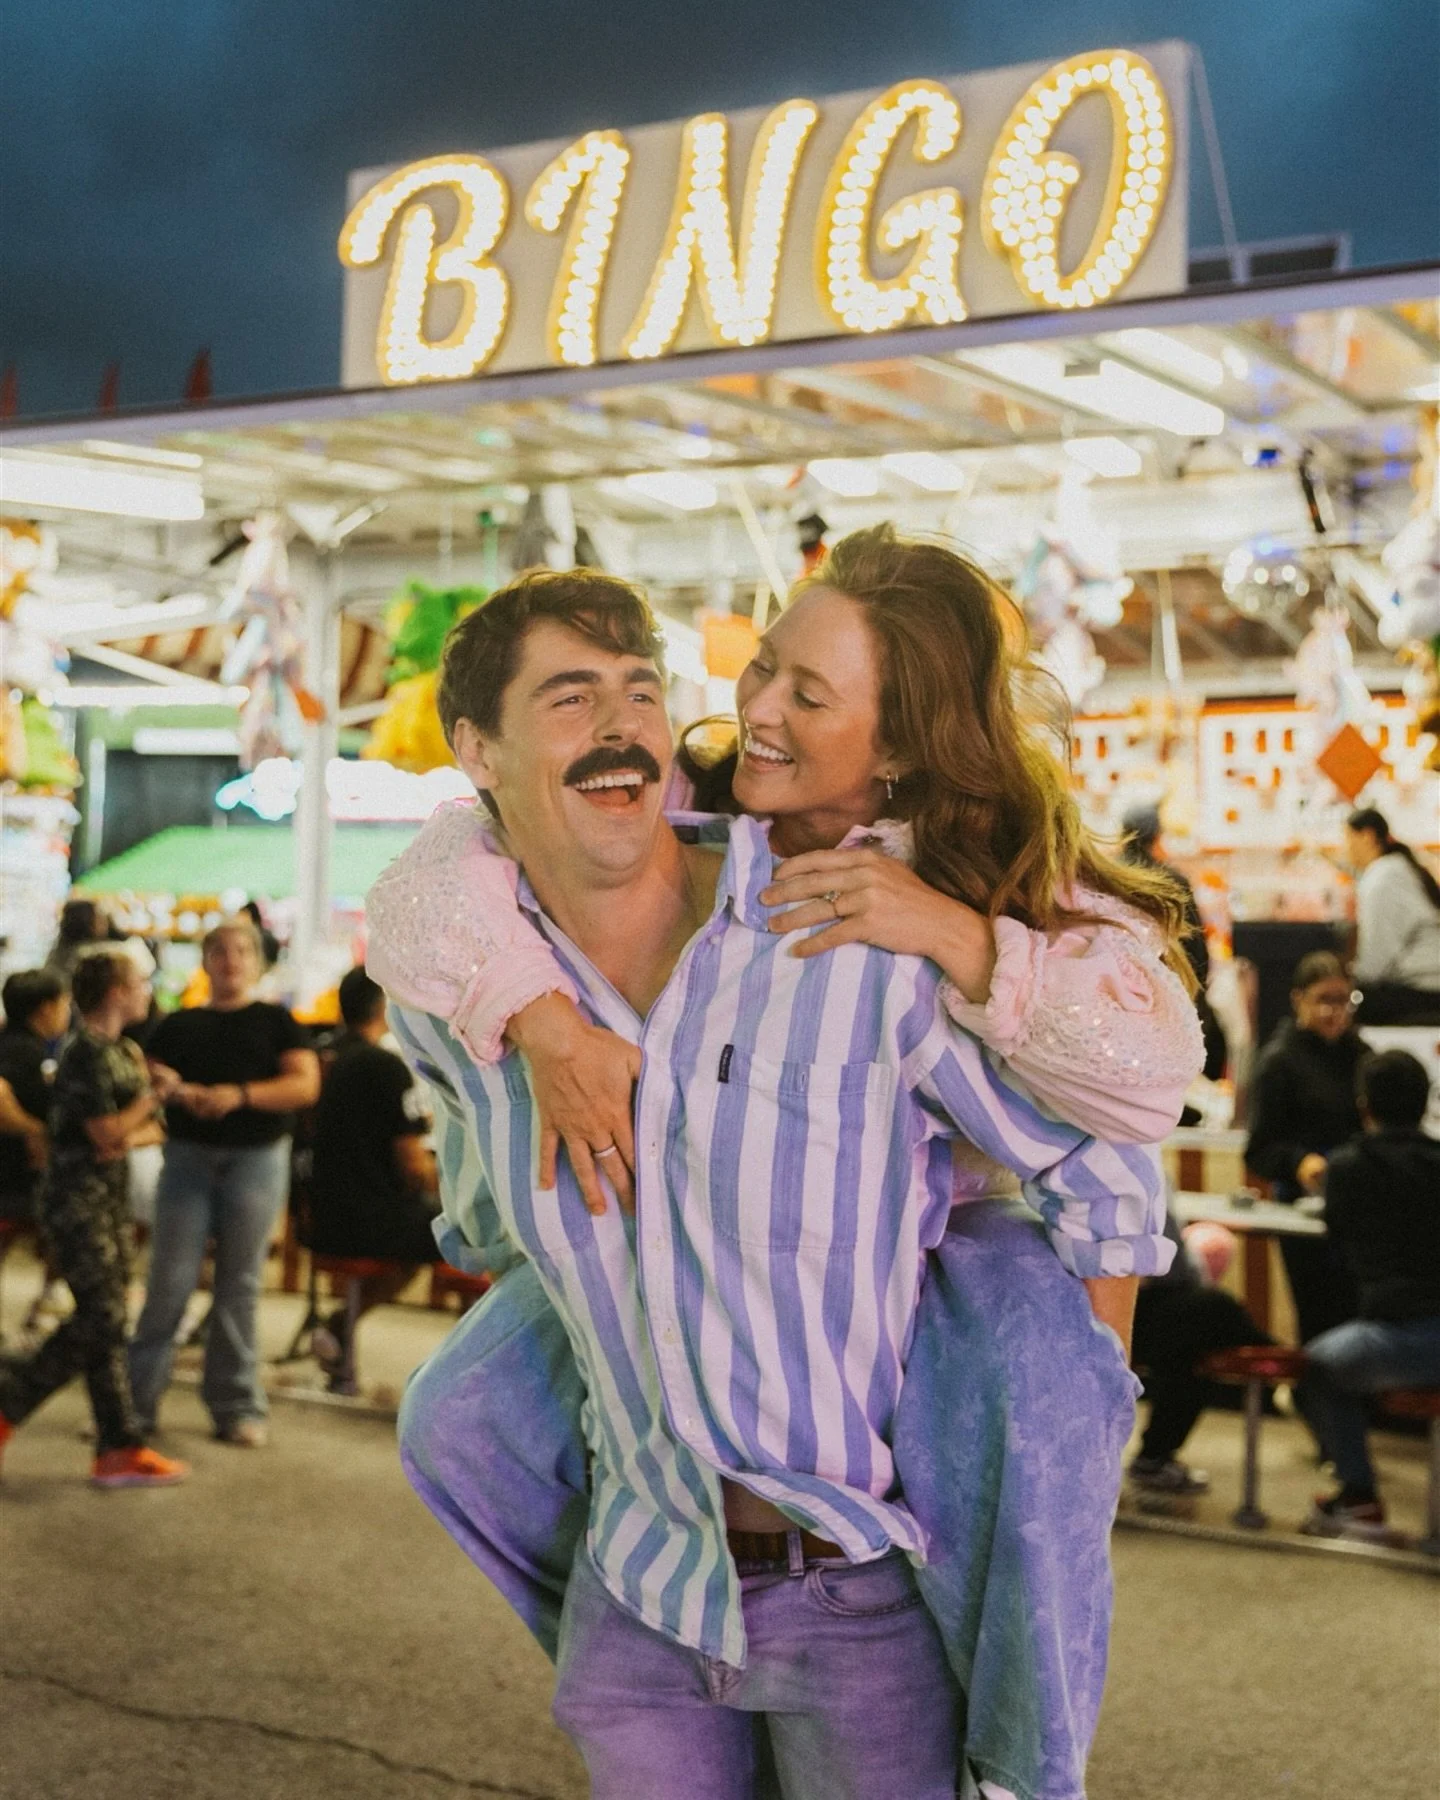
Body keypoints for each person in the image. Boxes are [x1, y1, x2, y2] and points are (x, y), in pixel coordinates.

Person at [373, 543, 1184, 1797]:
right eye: (761, 672)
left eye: (809, 696)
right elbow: (430, 872)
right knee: (453, 1413)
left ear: (901, 746)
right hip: (645, 1572)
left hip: (884, 1483)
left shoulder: (909, 906)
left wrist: (1062, 1423)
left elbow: (1124, 1111)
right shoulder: (523, 924)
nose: (753, 710)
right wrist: (533, 1012)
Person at [128, 916, 320, 1446]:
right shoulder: (179, 1023)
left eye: (241, 951)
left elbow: (304, 1085)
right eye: (220, 951)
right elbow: (140, 1068)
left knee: (241, 1282)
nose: (231, 960)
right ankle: (134, 1407)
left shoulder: (277, 1022)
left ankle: (236, 1403)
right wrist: (167, 1085)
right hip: (188, 1157)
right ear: (206, 961)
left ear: (256, 962)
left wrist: (237, 1096)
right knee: (169, 1281)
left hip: (255, 1157)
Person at [0, 952, 189, 1487]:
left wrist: (131, 1123)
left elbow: (145, 1133)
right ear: (113, 992)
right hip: (74, 1203)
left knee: (106, 1325)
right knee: (102, 1319)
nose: (148, 989)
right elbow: (106, 1134)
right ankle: (9, 1403)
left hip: (107, 1202)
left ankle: (118, 1447)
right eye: (139, 982)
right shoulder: (85, 1053)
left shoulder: (125, 1051)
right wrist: (149, 1100)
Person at [1299, 1050, 1440, 1539]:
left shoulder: (1348, 1168)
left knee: (1316, 1366)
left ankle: (1359, 1496)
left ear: (1365, 1106)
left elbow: (1337, 1247)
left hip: (1398, 1334)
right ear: (1425, 1103)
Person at [307, 966, 438, 1383]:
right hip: (368, 1219)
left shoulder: (323, 1058)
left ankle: (340, 1323)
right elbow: (413, 1162)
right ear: (384, 1006)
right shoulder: (387, 1068)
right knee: (461, 1230)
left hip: (315, 1212)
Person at [1245, 951, 1364, 1343]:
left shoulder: (1361, 1056)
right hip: (1300, 1207)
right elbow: (1259, 1149)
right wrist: (1299, 1162)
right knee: (1318, 1314)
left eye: (1343, 1000)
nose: (1335, 1012)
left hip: (1358, 1205)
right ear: (1298, 999)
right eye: (1324, 1000)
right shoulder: (1278, 1062)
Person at [1128, 1212, 1271, 1494]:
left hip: (1144, 1301)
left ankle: (1155, 1456)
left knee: (1194, 1340)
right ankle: (1285, 1360)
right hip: (1121, 1300)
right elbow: (1167, 1265)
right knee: (1209, 1315)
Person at [1120, 802, 1226, 1084]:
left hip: (1117, 998)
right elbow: (1196, 948)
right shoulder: (1172, 881)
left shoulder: (1103, 877)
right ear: (1156, 836)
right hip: (1166, 995)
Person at [1345, 806, 1440, 1025]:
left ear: (1367, 836)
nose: (1346, 849)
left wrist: (1353, 982)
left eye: (1348, 839)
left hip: (1421, 987)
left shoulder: (1382, 877)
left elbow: (1378, 956)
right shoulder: (1398, 869)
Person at [0, 968, 70, 1222]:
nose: (68, 1012)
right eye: (64, 1003)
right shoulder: (25, 1054)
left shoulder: (15, 1044)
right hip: (15, 1178)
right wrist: (35, 1130)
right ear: (46, 1008)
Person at [43, 897, 111, 982]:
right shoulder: (93, 956)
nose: (105, 922)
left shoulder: (56, 952)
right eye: (99, 917)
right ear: (87, 921)